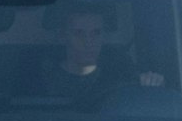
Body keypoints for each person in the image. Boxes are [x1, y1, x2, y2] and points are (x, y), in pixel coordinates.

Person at [33, 7, 161, 108]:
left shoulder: (122, 75)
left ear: (103, 37)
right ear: (63, 36)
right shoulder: (40, 79)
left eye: (96, 33)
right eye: (79, 33)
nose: (88, 42)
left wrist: (152, 84)